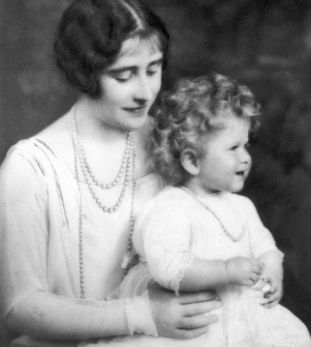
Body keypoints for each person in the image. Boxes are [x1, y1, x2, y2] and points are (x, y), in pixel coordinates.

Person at [0, 1, 221, 346]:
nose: (145, 92)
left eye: (153, 69)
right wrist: (141, 315)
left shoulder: (172, 144)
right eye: (124, 75)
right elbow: (19, 306)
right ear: (85, 73)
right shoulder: (31, 167)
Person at [96, 73, 311, 347]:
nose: (245, 157)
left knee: (292, 337)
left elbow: (264, 246)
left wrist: (272, 268)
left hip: (244, 315)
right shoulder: (172, 206)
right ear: (192, 160)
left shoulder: (242, 206)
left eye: (246, 145)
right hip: (201, 322)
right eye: (233, 148)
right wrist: (225, 270)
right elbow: (168, 267)